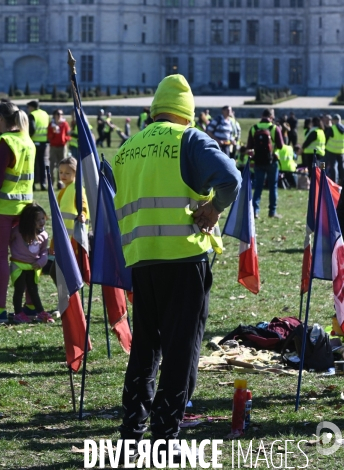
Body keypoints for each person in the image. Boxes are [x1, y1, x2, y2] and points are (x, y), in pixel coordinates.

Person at [112, 75, 241, 459]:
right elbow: (230, 178)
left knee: (146, 348)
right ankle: (165, 434)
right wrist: (214, 207)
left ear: (155, 108)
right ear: (187, 113)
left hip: (142, 258)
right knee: (181, 348)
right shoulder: (190, 139)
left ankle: (131, 430)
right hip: (184, 258)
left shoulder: (128, 146)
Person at [0, 102, 36, 323]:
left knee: (1, 257)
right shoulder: (28, 141)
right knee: (25, 258)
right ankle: (31, 305)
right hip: (25, 208)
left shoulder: (5, 142)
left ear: (1, 118)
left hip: (3, 208)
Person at [9, 203, 54, 324]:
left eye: (42, 218)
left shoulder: (44, 235)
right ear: (29, 220)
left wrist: (41, 261)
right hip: (18, 265)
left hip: (33, 266)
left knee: (33, 290)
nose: (41, 221)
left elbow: (44, 251)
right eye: (37, 219)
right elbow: (6, 240)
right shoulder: (17, 231)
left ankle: (40, 312)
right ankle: (18, 313)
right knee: (19, 290)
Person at [247, 108, 284, 219]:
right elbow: (281, 145)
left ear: (261, 115)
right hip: (271, 161)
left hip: (258, 161)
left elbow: (249, 146)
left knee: (258, 187)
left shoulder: (254, 128)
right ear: (271, 117)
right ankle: (272, 212)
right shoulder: (274, 128)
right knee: (273, 187)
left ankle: (255, 211)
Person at [27, 100, 49, 191]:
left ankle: (33, 185)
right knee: (42, 163)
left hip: (34, 142)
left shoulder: (32, 115)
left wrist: (28, 136)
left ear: (32, 107)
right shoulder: (45, 114)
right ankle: (43, 183)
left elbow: (32, 128)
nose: (28, 110)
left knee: (33, 164)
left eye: (28, 107)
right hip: (44, 142)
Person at [47, 109, 70, 189]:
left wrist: (64, 139)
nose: (59, 115)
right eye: (58, 114)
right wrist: (53, 132)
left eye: (61, 114)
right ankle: (51, 183)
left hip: (62, 147)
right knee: (52, 165)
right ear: (54, 115)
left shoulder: (65, 124)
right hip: (53, 147)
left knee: (62, 165)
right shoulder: (51, 124)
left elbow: (69, 134)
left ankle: (60, 182)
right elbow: (49, 136)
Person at [324, 113, 344, 184]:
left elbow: (326, 138)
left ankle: (334, 181)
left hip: (331, 150)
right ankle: (341, 181)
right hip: (341, 151)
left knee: (333, 167)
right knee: (341, 167)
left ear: (334, 120)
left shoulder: (332, 128)